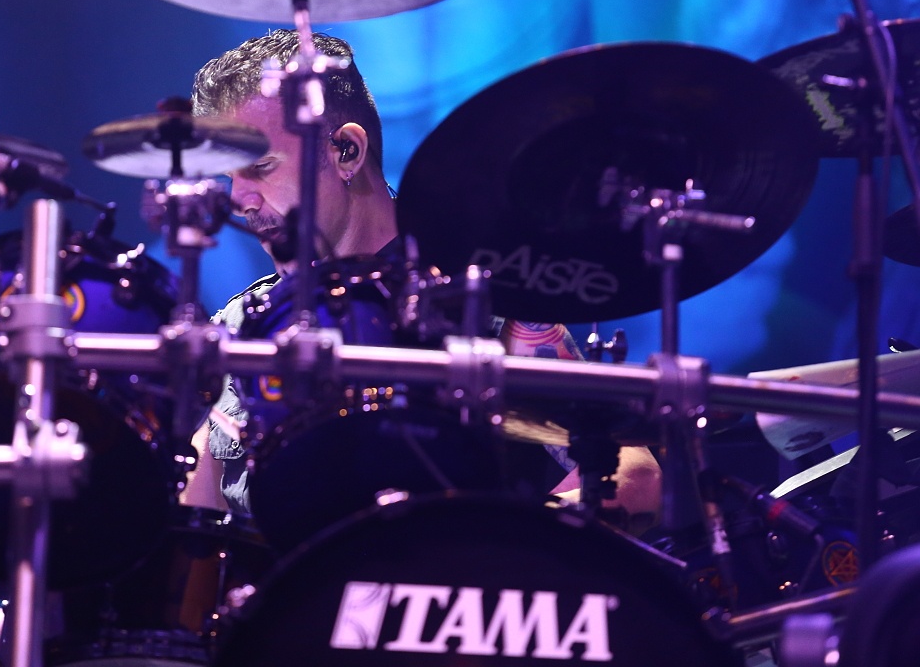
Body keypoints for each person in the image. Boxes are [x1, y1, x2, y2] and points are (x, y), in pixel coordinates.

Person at [181, 29, 661, 528]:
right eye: (228, 178)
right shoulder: (242, 326)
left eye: (260, 166)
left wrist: (480, 544)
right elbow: (196, 529)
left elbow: (635, 478)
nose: (238, 200)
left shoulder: (478, 298)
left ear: (346, 151)